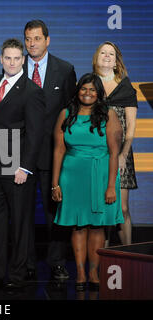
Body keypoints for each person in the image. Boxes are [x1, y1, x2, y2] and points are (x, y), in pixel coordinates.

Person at [52, 73, 124, 291]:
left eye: (92, 90)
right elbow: (59, 150)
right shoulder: (66, 113)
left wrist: (111, 185)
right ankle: (81, 273)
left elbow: (114, 153)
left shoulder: (108, 114)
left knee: (97, 227)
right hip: (72, 176)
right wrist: (55, 183)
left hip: (101, 175)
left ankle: (94, 272)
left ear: (99, 93)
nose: (87, 93)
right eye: (84, 89)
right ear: (78, 91)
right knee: (78, 225)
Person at [0, 39, 45, 289]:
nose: (11, 62)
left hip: (17, 168)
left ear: (23, 60)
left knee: (20, 223)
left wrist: (25, 167)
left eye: (16, 58)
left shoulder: (32, 91)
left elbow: (35, 133)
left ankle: (18, 275)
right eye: (7, 58)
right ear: (1, 59)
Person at [23, 20, 77, 280]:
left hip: (53, 154)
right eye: (28, 39)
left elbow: (71, 112)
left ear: (47, 40)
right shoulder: (15, 67)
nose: (31, 43)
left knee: (54, 211)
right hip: (21, 155)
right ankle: (26, 263)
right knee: (22, 213)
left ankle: (56, 262)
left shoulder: (65, 70)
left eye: (36, 38)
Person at [93, 41, 138, 246]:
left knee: (122, 208)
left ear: (116, 61)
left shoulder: (125, 87)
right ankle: (104, 257)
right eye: (103, 52)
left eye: (111, 53)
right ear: (97, 58)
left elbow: (130, 128)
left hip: (121, 154)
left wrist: (122, 155)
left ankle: (129, 255)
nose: (107, 56)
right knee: (103, 207)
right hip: (96, 153)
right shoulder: (89, 85)